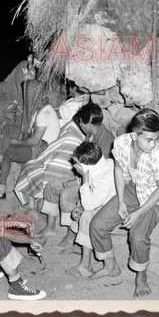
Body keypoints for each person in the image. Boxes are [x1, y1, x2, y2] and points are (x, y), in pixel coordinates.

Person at [88, 108, 159, 299]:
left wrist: (137, 213)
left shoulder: (158, 155)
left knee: (138, 237)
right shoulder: (121, 143)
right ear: (134, 135)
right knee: (97, 225)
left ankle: (141, 278)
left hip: (153, 197)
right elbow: (118, 170)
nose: (153, 144)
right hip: (130, 189)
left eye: (156, 138)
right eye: (149, 139)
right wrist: (121, 203)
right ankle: (110, 266)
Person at [37, 103, 115, 241]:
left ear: (88, 123)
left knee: (67, 194)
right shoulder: (90, 135)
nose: (80, 126)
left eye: (81, 124)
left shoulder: (107, 142)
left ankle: (71, 234)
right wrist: (75, 179)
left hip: (94, 184)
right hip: (83, 179)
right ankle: (51, 227)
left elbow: (102, 176)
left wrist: (79, 182)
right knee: (52, 185)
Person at [0, 79, 60, 199]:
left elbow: (34, 141)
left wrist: (17, 142)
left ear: (33, 95)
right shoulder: (40, 104)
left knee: (6, 153)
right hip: (35, 139)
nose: (26, 97)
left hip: (39, 149)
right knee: (9, 129)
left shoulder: (45, 114)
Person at [63, 142, 115, 278]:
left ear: (84, 166)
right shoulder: (103, 164)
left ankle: (86, 263)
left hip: (112, 208)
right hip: (101, 202)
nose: (74, 165)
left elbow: (89, 205)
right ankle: (78, 244)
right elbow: (90, 197)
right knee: (81, 209)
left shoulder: (103, 179)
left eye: (77, 163)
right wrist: (79, 205)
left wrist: (84, 177)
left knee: (86, 215)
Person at [0, 58, 36, 133]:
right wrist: (9, 107)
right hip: (0, 121)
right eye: (23, 75)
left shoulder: (28, 90)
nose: (25, 78)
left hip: (17, 124)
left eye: (28, 76)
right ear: (18, 73)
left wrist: (19, 110)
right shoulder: (5, 86)